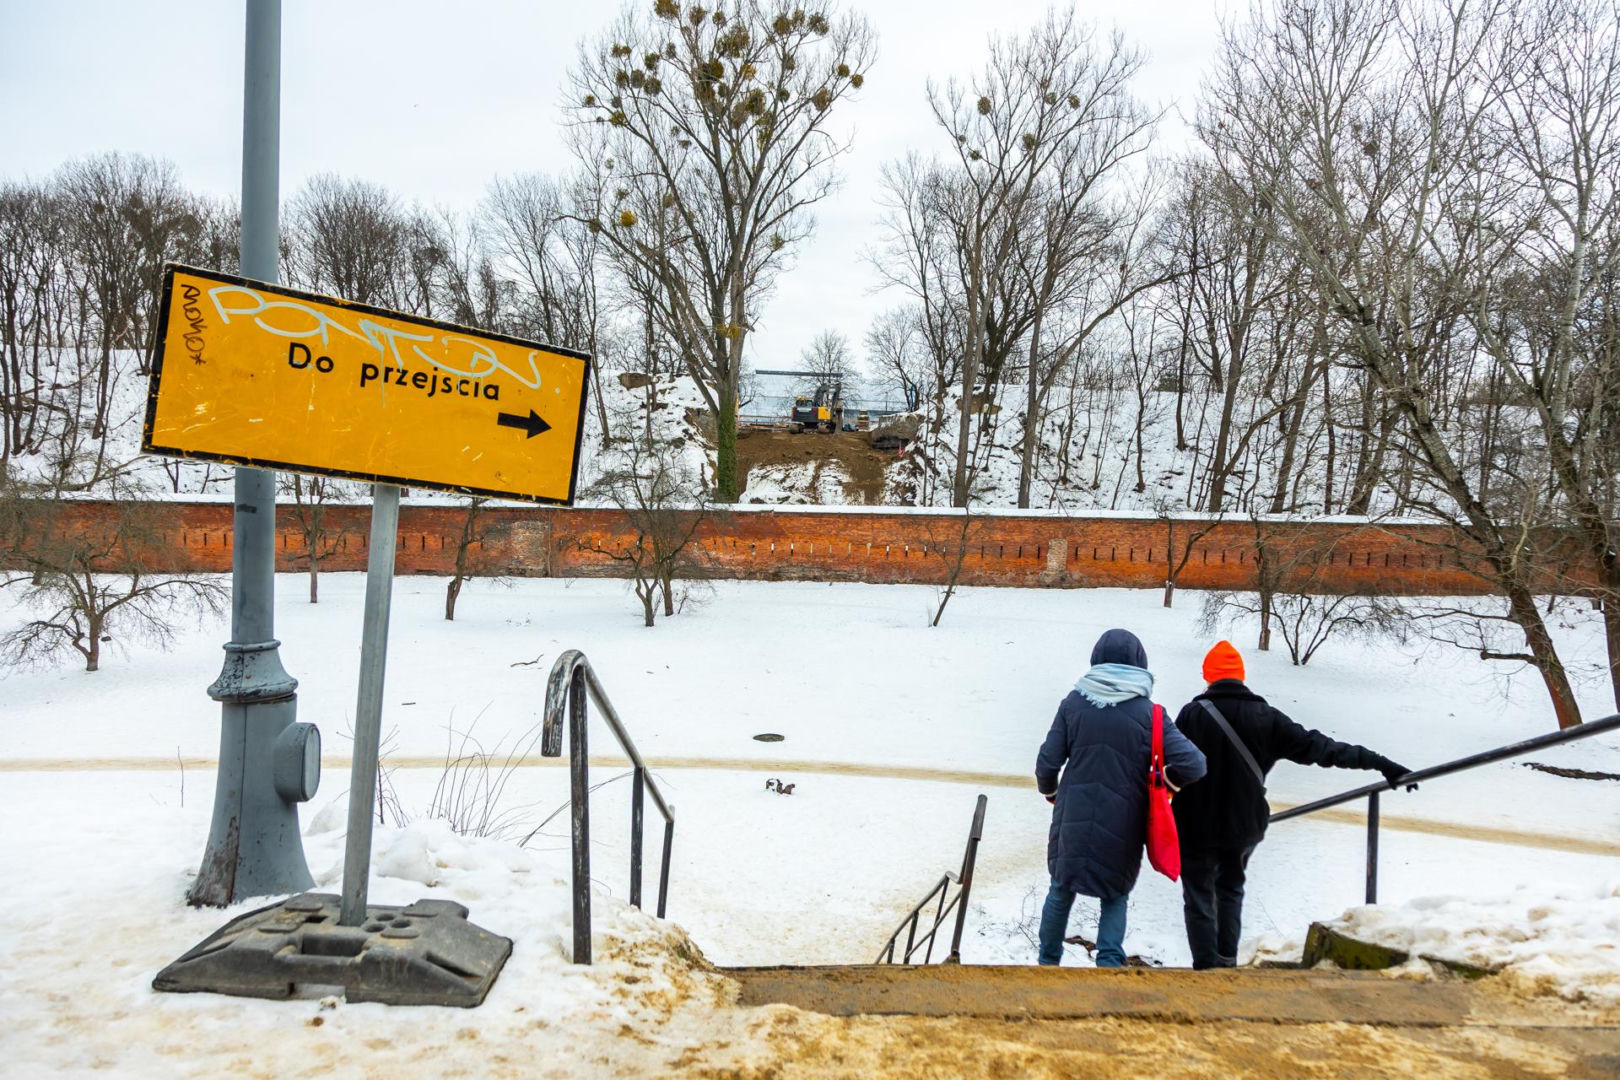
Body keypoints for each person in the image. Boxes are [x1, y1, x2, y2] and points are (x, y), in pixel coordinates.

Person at [1172, 640, 1413, 970]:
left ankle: (1204, 968)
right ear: (1241, 677)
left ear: (1208, 677)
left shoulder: (1192, 714)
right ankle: (1225, 963)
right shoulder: (1266, 717)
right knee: (1230, 889)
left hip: (1195, 825)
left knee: (1199, 895)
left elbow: (1170, 763)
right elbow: (1322, 748)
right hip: (1244, 826)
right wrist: (1380, 762)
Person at [1035, 628, 1207, 967]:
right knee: (1114, 896)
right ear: (1140, 665)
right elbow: (1195, 763)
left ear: (1096, 660)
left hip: (1072, 818)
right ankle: (1109, 967)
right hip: (1124, 822)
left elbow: (1047, 761)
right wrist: (1169, 784)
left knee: (1061, 887)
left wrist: (1051, 792)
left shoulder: (1073, 704)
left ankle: (1046, 963)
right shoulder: (1150, 714)